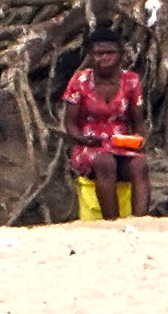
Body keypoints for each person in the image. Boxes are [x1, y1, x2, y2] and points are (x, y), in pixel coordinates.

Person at [60, 26, 148, 223]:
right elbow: (70, 125)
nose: (105, 58)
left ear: (121, 55)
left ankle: (140, 222)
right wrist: (85, 139)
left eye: (110, 53)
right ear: (91, 56)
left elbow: (138, 123)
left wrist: (138, 141)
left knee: (139, 165)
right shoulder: (80, 81)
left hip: (120, 145)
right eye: (99, 54)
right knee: (104, 161)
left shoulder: (131, 81)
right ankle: (112, 222)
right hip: (89, 146)